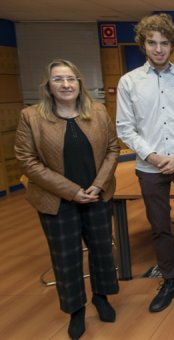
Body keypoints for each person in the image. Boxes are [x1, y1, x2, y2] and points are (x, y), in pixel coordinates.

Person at [14, 59, 119, 339]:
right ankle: (76, 310)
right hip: (57, 202)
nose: (65, 84)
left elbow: (112, 149)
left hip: (97, 196)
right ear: (48, 85)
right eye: (58, 79)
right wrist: (71, 191)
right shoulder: (32, 117)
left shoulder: (97, 112)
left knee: (102, 251)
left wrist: (98, 185)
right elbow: (27, 161)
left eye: (71, 78)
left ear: (79, 83)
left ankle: (101, 297)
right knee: (66, 258)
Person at [115, 13, 174, 316]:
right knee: (159, 227)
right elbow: (125, 127)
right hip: (149, 167)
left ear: (172, 45)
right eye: (152, 43)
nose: (158, 49)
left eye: (164, 43)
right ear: (142, 44)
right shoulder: (129, 82)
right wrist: (153, 157)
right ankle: (171, 280)